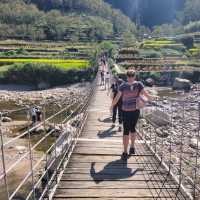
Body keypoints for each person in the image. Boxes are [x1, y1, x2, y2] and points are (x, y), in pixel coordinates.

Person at [111, 69, 156, 160]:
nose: (131, 78)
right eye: (132, 76)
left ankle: (125, 151)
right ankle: (132, 147)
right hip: (135, 110)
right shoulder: (139, 84)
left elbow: (117, 98)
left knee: (126, 130)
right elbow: (146, 95)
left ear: (127, 77)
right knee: (133, 129)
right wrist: (152, 98)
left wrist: (112, 106)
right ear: (134, 76)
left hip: (125, 110)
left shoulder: (123, 86)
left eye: (129, 77)